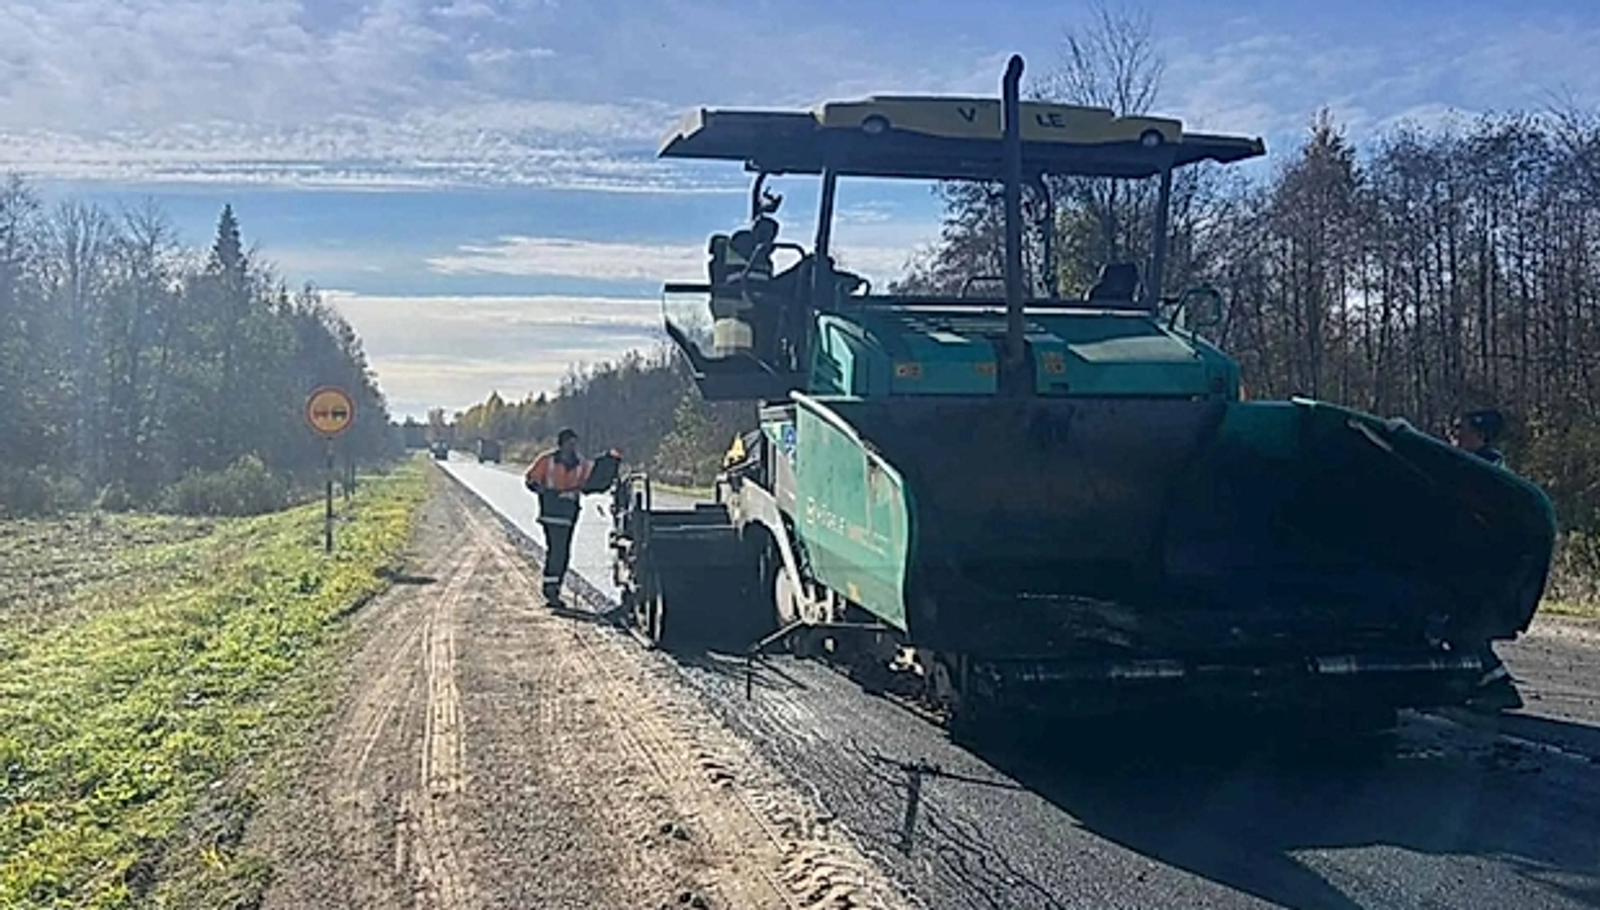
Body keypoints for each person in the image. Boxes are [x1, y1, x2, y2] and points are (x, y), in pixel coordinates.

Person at [1448, 407, 1522, 713]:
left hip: (1483, 565)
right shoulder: (1480, 466)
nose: (1453, 435)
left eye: (1459, 427)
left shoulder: (1484, 471)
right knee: (1459, 625)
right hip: (1473, 562)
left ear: (1479, 434)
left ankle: (1497, 685)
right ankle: (1470, 681)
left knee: (1465, 625)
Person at [524, 428, 594, 607]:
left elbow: (591, 481)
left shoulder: (581, 464)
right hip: (551, 513)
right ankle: (551, 590)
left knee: (562, 552)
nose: (572, 447)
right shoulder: (546, 461)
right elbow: (531, 479)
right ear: (561, 444)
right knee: (556, 550)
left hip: (569, 514)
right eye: (570, 443)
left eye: (574, 443)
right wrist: (542, 490)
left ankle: (554, 587)